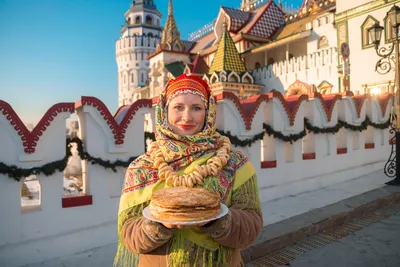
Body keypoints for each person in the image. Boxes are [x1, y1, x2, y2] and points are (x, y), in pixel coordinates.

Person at [114, 74, 263, 267]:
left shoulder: (234, 163)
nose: (187, 117)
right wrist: (158, 225)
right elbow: (128, 234)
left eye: (196, 108)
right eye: (178, 107)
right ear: (164, 111)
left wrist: (215, 219)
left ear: (208, 113)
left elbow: (251, 226)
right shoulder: (142, 167)